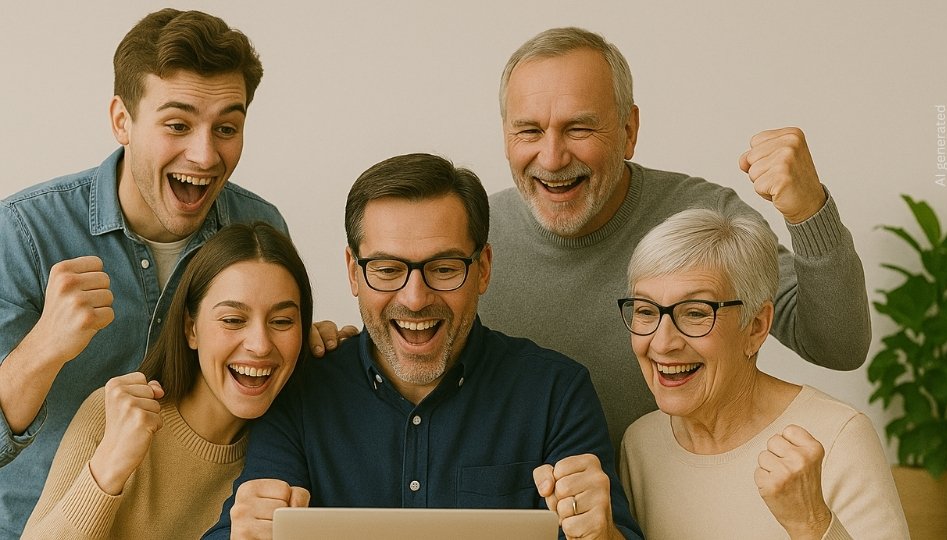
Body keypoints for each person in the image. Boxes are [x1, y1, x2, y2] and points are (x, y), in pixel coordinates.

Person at [0, 9, 332, 538]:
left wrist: (307, 341)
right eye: (177, 125)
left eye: (226, 128)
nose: (204, 154)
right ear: (121, 120)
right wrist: (44, 347)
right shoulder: (23, 233)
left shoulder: (260, 226)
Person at [203, 154, 643, 540]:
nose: (415, 298)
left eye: (444, 267)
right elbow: (246, 523)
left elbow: (605, 532)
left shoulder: (556, 393)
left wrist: (601, 534)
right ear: (353, 272)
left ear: (483, 268)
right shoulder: (300, 390)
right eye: (388, 269)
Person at [477, 27, 872, 451]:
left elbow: (838, 344)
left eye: (579, 129)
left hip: (669, 508)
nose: (552, 157)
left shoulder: (701, 219)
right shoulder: (470, 237)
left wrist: (809, 211)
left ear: (629, 130)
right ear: (505, 135)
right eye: (529, 131)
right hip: (518, 513)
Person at [616, 208, 908, 539]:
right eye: (645, 311)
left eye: (695, 313)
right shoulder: (640, 444)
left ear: (756, 327)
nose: (663, 342)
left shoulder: (839, 435)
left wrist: (811, 523)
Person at [21, 222, 314, 539]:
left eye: (282, 321)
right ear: (191, 329)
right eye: (233, 320)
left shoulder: (289, 450)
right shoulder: (116, 414)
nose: (260, 345)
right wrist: (110, 465)